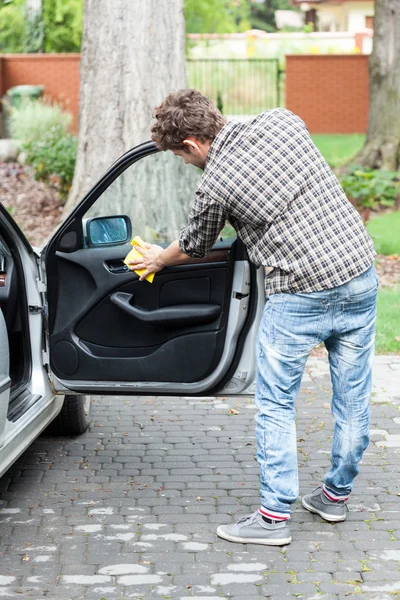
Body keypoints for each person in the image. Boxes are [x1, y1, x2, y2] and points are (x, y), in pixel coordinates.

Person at [128, 89, 378, 546]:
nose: (186, 164)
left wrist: (158, 260)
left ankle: (272, 519)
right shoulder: (284, 121)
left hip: (299, 293)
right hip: (358, 275)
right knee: (353, 396)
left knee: (277, 404)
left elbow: (195, 244)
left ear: (192, 144)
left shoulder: (216, 182)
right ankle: (335, 497)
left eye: (182, 156)